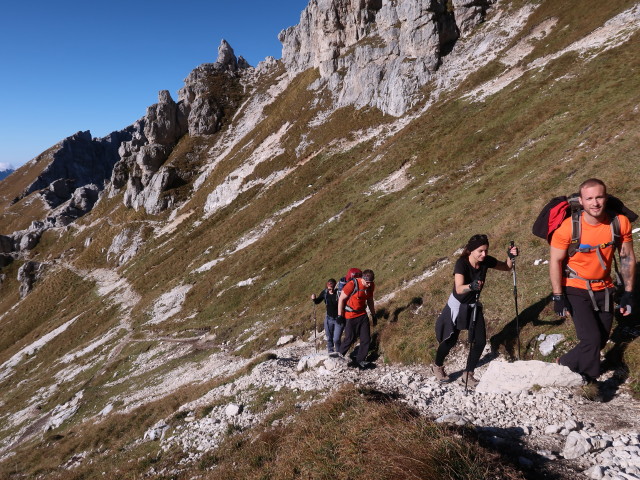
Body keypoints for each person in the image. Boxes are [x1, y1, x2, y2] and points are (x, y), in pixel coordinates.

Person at [549, 178, 635, 391]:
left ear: (605, 198)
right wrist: (558, 296)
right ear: (581, 200)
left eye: (599, 197)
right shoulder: (568, 228)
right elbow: (555, 261)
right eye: (589, 198)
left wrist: (629, 292)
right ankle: (590, 383)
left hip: (605, 288)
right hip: (575, 287)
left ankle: (564, 363)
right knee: (592, 338)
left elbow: (627, 257)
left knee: (601, 339)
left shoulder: (620, 222)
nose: (595, 203)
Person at [433, 235, 518, 386]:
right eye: (480, 251)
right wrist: (471, 286)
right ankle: (437, 366)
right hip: (458, 305)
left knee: (479, 341)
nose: (484, 254)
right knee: (450, 340)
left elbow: (506, 267)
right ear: (471, 250)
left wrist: (510, 257)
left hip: (473, 306)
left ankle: (468, 374)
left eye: (486, 251)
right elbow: (459, 289)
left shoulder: (485, 261)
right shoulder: (462, 263)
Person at [337, 269, 376, 369]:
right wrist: (340, 315)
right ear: (362, 278)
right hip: (350, 315)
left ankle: (360, 360)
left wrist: (373, 314)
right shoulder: (352, 284)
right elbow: (341, 299)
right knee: (349, 338)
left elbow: (370, 300)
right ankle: (337, 358)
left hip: (362, 314)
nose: (368, 285)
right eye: (367, 282)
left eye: (370, 282)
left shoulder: (371, 286)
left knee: (366, 338)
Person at [311, 278, 342, 353]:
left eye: (331, 288)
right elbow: (318, 301)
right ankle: (330, 352)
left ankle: (339, 353)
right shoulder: (325, 293)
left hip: (338, 319)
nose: (330, 290)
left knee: (336, 339)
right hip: (328, 318)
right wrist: (314, 299)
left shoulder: (339, 293)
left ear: (335, 287)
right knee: (329, 337)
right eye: (328, 288)